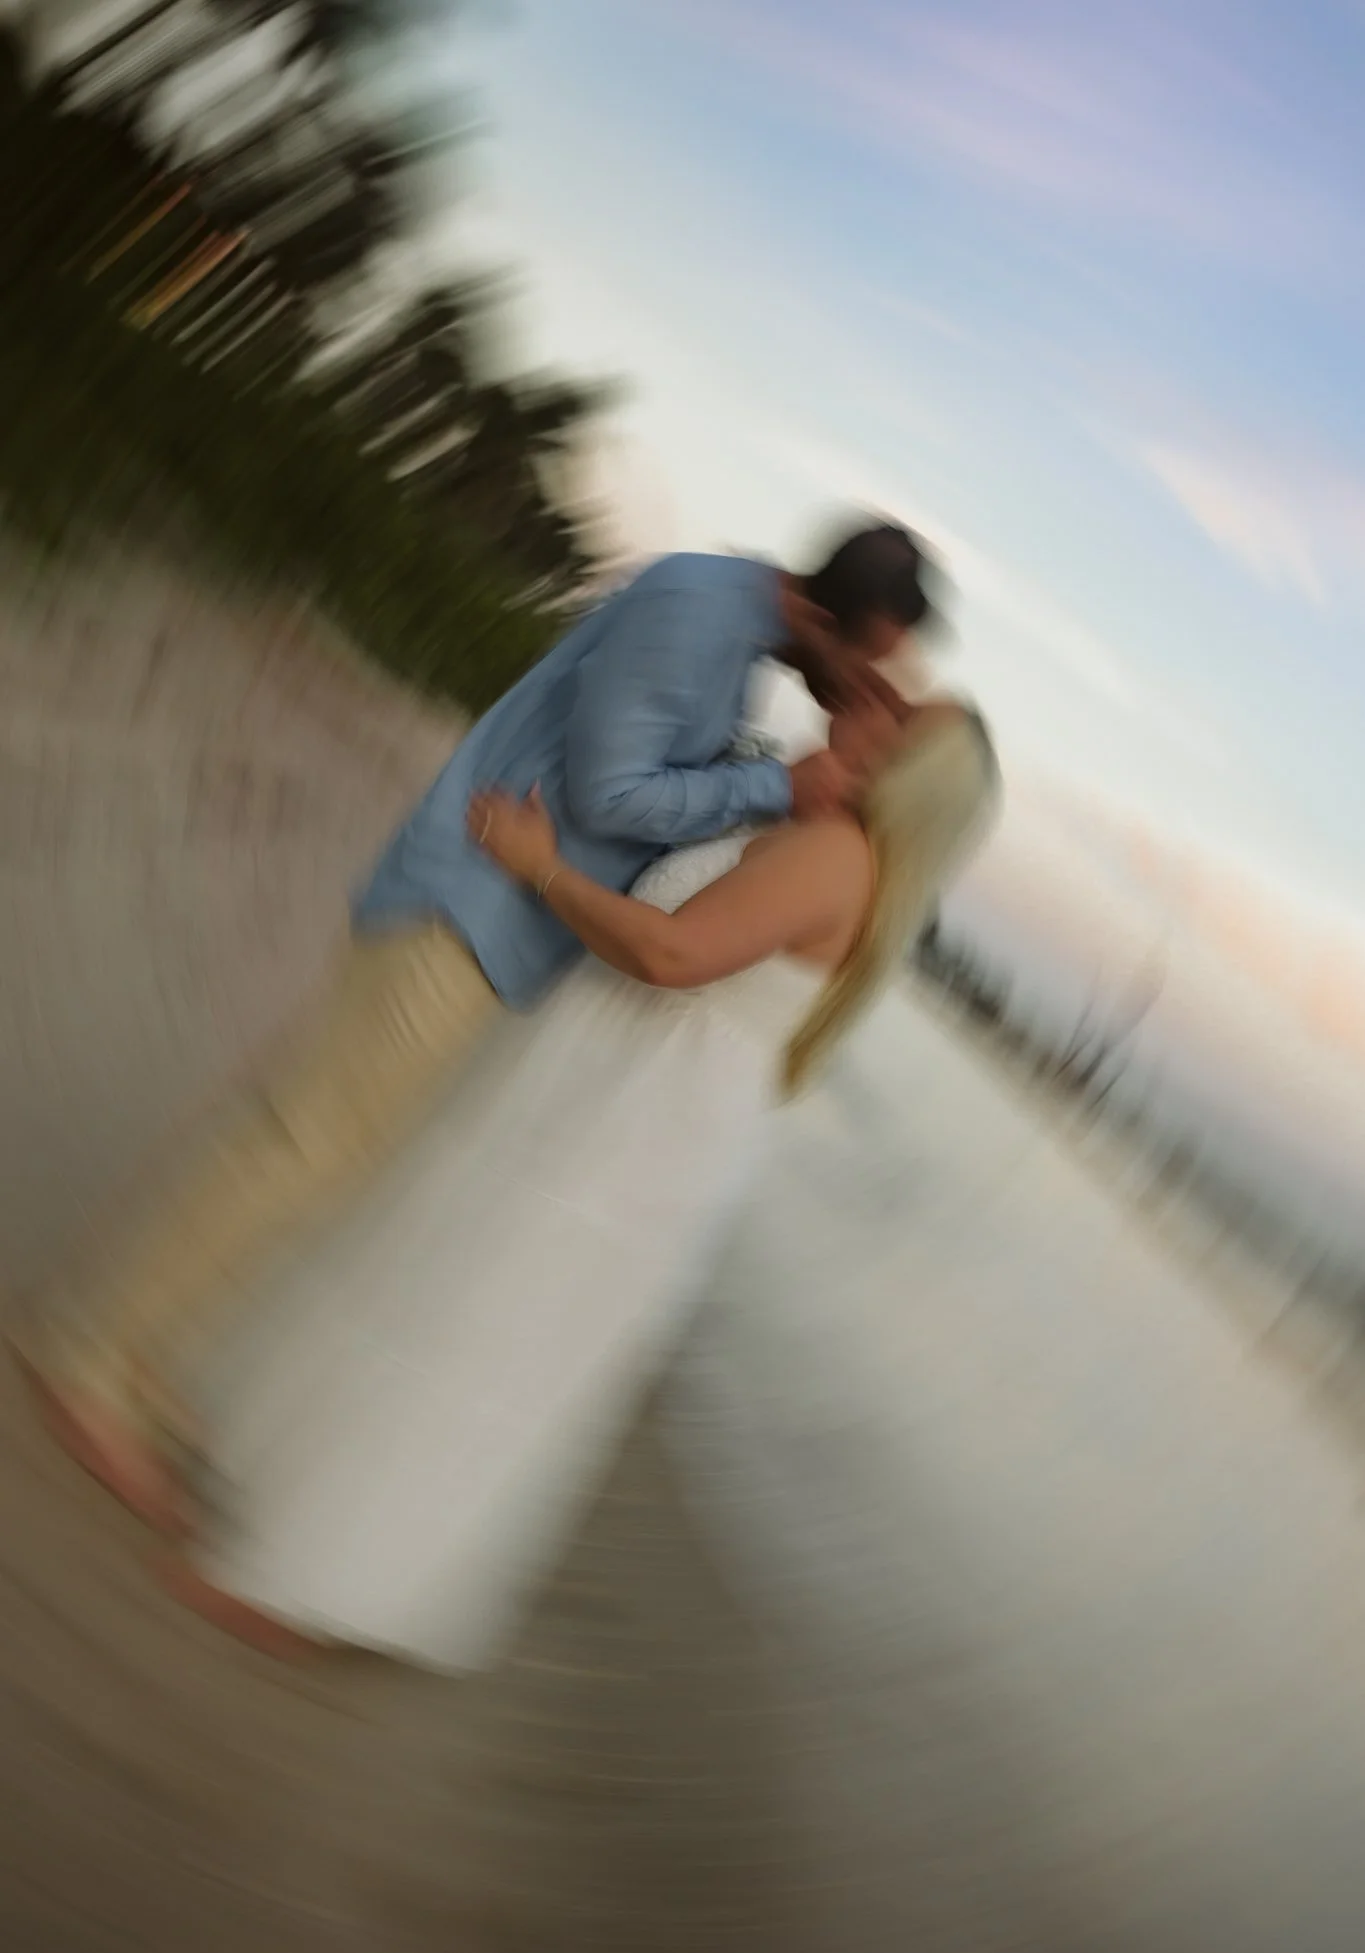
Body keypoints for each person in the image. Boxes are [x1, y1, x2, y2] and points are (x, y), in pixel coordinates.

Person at [11, 519, 937, 1533]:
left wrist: (779, 774)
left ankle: (137, 1344)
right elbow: (610, 791)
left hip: (488, 927)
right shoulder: (699, 613)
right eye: (862, 663)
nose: (857, 689)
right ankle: (92, 1356)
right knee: (302, 1142)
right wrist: (776, 785)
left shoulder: (733, 641)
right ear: (820, 609)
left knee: (315, 1147)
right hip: (465, 909)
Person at [154, 693, 1000, 1664]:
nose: (878, 711)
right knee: (469, 1294)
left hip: (638, 1117)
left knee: (480, 1321)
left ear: (912, 771)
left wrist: (539, 865)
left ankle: (318, 1575)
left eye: (904, 722)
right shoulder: (843, 851)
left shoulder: (840, 853)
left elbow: (670, 950)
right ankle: (303, 1503)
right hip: (636, 1097)